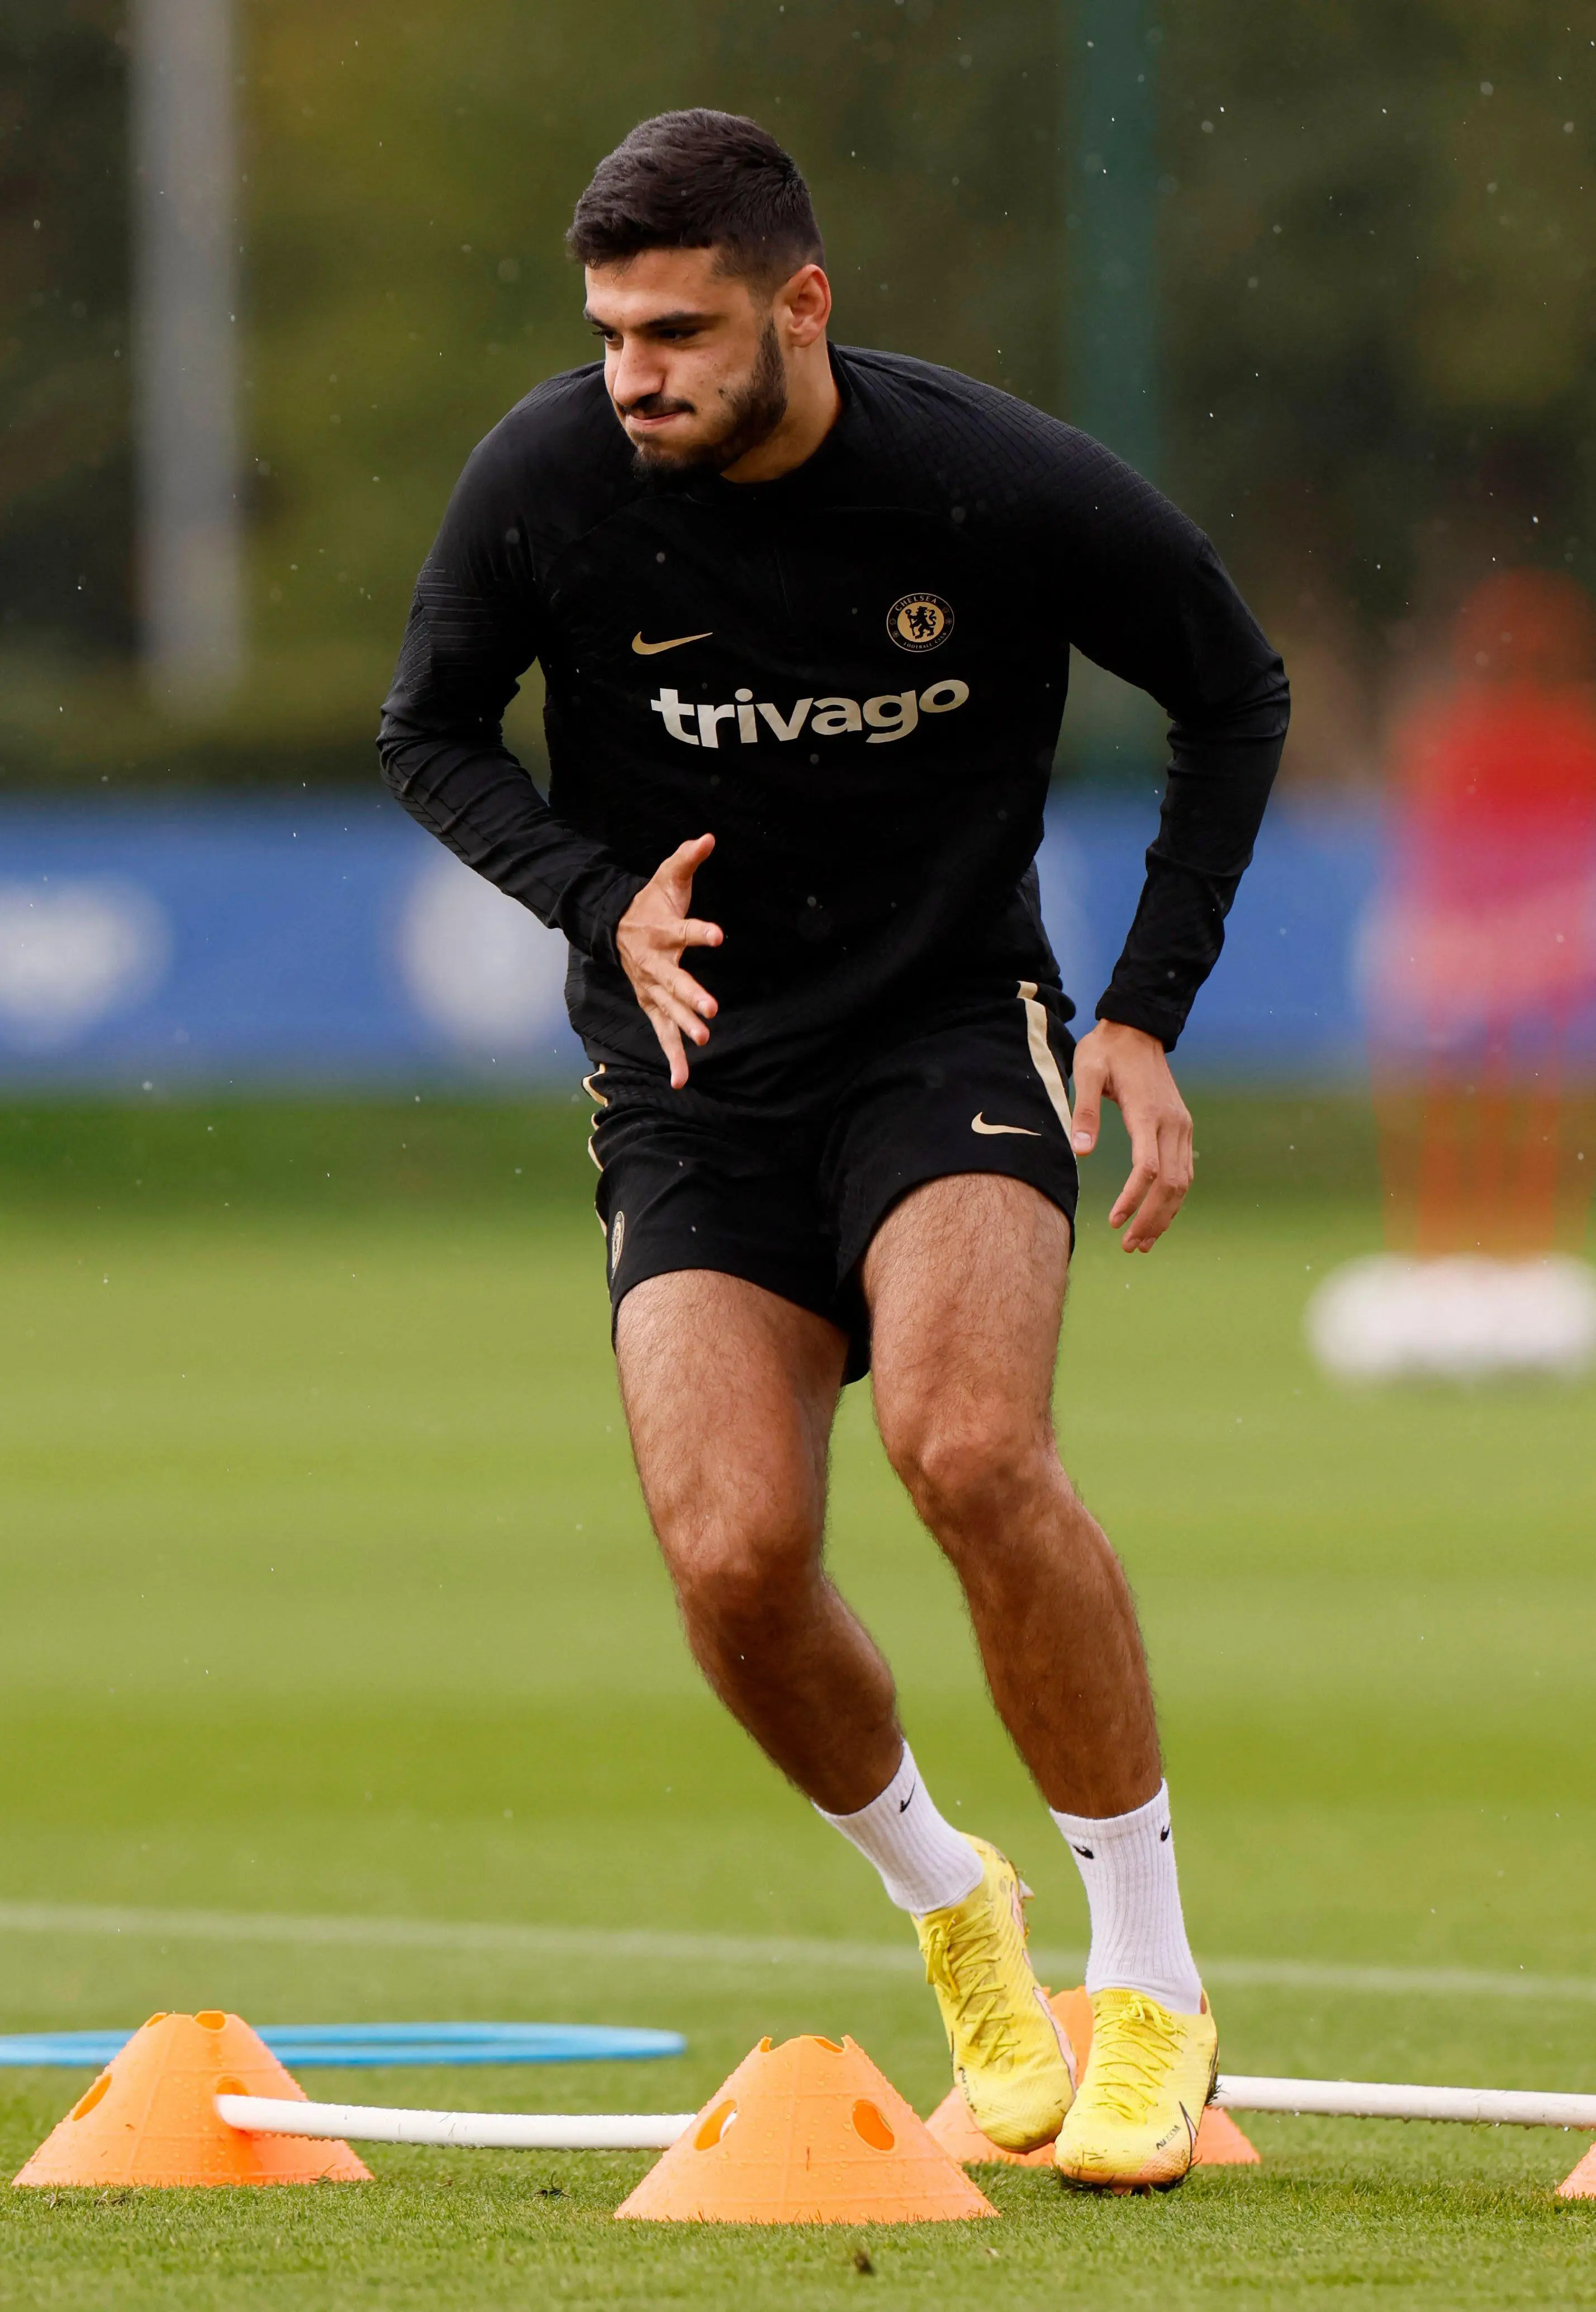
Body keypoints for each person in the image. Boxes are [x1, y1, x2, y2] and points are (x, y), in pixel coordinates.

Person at [379, 109, 1289, 2192]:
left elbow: (1234, 692)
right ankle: (951, 1903)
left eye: (680, 334)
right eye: (611, 336)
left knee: (969, 1450)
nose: (635, 379)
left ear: (801, 306)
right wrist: (596, 898)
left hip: (943, 1026)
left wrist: (1144, 1006)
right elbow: (424, 731)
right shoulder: (546, 479)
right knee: (732, 1557)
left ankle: (1149, 1976)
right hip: (690, 1068)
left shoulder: (992, 480)